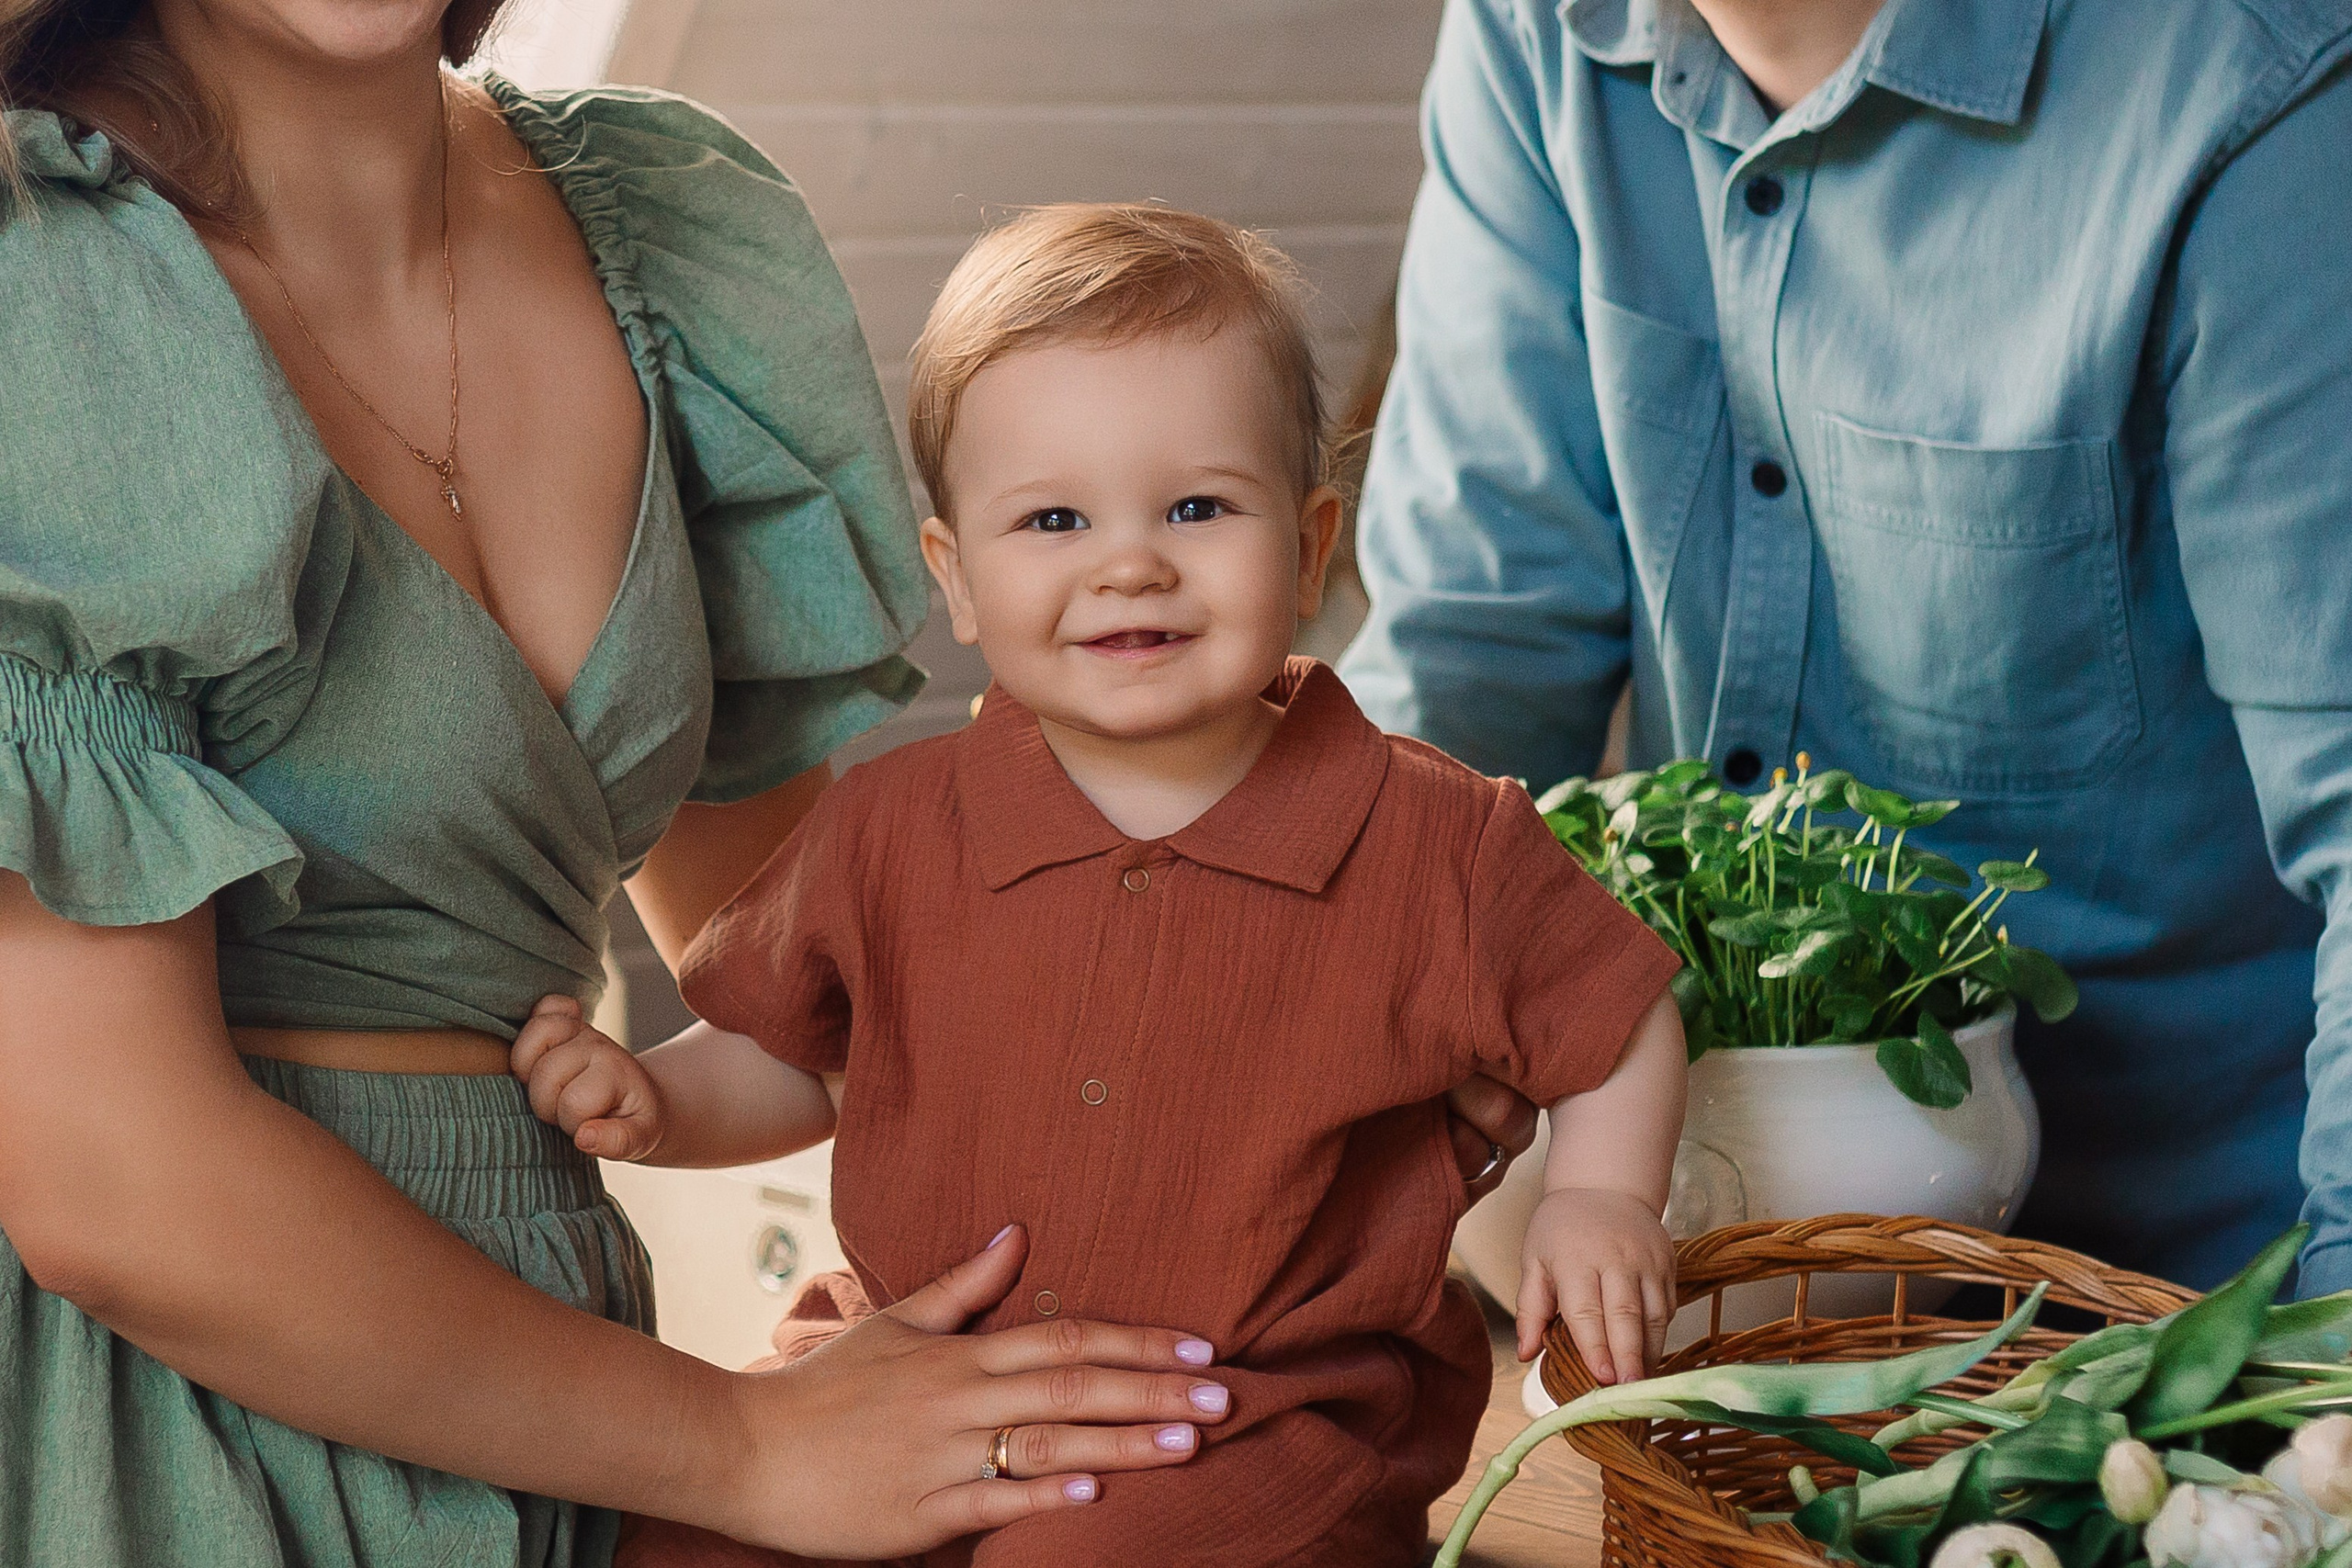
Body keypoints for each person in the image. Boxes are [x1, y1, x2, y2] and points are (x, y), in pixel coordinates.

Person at [0, 6, 1262, 1562]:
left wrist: (1308, 1045)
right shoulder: (31, 275)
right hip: (147, 1423)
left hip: (575, 1400)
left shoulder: (664, 227)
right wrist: (741, 1446)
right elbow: (111, 1184)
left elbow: (831, 976)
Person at [505, 204, 1690, 1567]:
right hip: (914, 1371)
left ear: (1309, 547)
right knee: (670, 1546)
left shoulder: (1433, 838)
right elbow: (801, 1058)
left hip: (1243, 1421)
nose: (1130, 561)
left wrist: (1602, 1198)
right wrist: (659, 1101)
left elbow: (1615, 1016)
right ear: (957, 577)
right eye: (1055, 518)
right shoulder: (896, 827)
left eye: (1198, 507)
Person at [1340, 0, 2352, 1292]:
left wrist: (2320, 1390)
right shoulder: (1540, 33)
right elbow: (1475, 651)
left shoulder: (2252, 84)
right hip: (1692, 1269)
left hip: (2176, 1306)